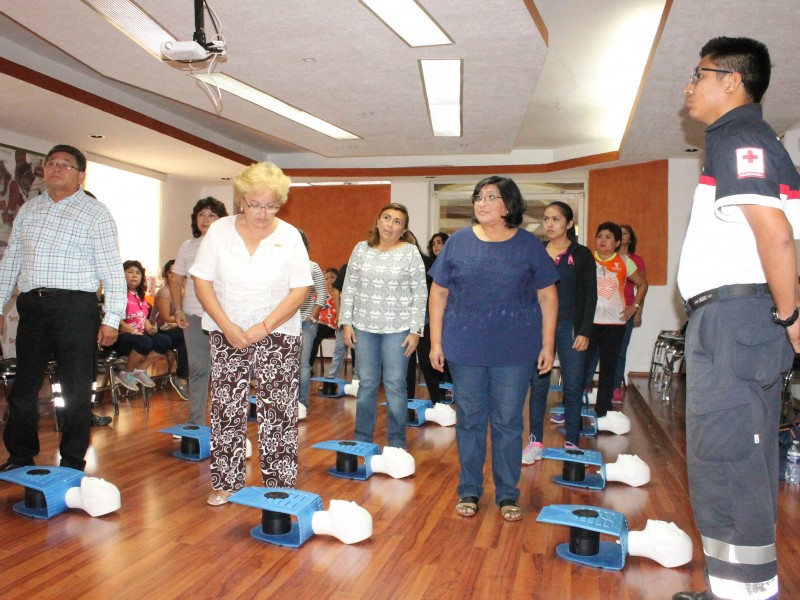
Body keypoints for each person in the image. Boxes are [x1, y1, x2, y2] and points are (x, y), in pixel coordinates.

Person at [673, 37, 800, 600]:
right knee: (719, 453)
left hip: (738, 316)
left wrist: (791, 314)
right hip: (725, 318)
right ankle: (732, 586)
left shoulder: (739, 135)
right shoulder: (734, 139)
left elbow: (775, 233)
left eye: (698, 75)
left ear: (731, 80)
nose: (688, 87)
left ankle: (749, 592)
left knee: (734, 455)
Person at [429, 176, 558, 522]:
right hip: (464, 348)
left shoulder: (529, 245)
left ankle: (506, 493)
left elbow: (547, 295)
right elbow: (438, 293)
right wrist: (436, 342)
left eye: (490, 197)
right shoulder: (457, 243)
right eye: (478, 197)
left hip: (515, 351)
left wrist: (548, 345)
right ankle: (469, 489)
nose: (482, 203)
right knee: (469, 420)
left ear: (509, 205)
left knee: (507, 422)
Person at [190, 162, 311, 506]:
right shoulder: (219, 232)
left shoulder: (288, 236)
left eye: (271, 205)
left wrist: (264, 327)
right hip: (227, 332)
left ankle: (280, 484)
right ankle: (226, 483)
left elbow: (300, 289)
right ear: (241, 199)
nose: (263, 212)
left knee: (279, 410)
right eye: (256, 204)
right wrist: (228, 326)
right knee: (227, 408)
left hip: (277, 334)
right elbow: (202, 281)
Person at [0, 144, 125, 472]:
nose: (56, 168)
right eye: (52, 163)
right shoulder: (29, 210)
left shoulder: (95, 213)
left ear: (81, 175)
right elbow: (11, 260)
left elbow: (112, 271)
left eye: (65, 165)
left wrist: (112, 319)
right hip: (33, 307)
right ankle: (21, 455)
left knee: (75, 388)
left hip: (75, 308)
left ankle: (71, 461)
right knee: (24, 387)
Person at [340, 203, 427, 450]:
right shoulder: (361, 249)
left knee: (395, 385)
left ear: (404, 229)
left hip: (398, 328)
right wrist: (346, 323)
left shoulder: (410, 253)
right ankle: (362, 440)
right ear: (377, 221)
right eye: (386, 218)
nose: (390, 224)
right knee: (366, 384)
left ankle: (397, 442)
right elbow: (350, 288)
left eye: (397, 221)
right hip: (364, 326)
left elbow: (420, 293)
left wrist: (416, 331)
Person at [525, 201, 596, 462]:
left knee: (573, 385)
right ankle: (535, 442)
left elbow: (591, 295)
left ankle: (572, 442)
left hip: (571, 327)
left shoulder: (581, 253)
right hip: (540, 327)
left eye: (556, 219)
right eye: (546, 219)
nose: (549, 224)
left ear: (568, 224)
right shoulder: (537, 252)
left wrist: (585, 330)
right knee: (538, 384)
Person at [170, 197, 228, 425]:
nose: (205, 219)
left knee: (225, 370)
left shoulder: (229, 246)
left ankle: (225, 423)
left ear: (221, 220)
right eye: (201, 214)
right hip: (194, 316)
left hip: (223, 317)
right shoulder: (188, 246)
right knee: (198, 368)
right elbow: (176, 280)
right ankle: (196, 423)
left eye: (211, 215)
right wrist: (178, 309)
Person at [580, 222, 647, 419]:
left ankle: (602, 411)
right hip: (589, 323)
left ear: (617, 242)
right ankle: (573, 406)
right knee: (582, 365)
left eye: (608, 237)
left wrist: (634, 307)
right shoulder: (587, 258)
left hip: (615, 323)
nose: (603, 240)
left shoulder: (625, 262)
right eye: (600, 236)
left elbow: (643, 284)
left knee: (609, 366)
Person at [112, 260, 171, 391]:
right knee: (144, 342)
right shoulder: (118, 295)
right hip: (121, 336)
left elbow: (142, 318)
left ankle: (139, 370)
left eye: (138, 273)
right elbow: (115, 319)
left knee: (164, 340)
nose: (134, 275)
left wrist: (149, 327)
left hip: (139, 335)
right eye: (130, 272)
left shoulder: (140, 296)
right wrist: (132, 331)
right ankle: (125, 373)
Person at [414, 232, 450, 404]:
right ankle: (437, 398)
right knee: (427, 358)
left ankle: (448, 394)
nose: (436, 246)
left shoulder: (451, 265)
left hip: (449, 320)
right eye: (433, 243)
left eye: (440, 242)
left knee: (448, 360)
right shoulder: (426, 265)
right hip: (427, 320)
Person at [296, 229, 326, 419]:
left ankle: (302, 403)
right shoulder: (282, 266)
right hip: (284, 324)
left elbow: (322, 293)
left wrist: (313, 315)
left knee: (303, 365)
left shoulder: (312, 267)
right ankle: (287, 402)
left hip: (306, 324)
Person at [154, 259, 189, 399]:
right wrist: (184, 320)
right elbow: (166, 318)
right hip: (162, 329)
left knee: (188, 339)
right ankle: (182, 378)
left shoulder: (186, 290)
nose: (174, 275)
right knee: (186, 337)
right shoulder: (164, 292)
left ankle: (184, 377)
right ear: (165, 275)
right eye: (170, 272)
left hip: (179, 327)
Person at [309, 267, 338, 372]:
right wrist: (316, 320)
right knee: (313, 335)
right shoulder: (319, 294)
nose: (329, 280)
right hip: (322, 324)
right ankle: (308, 367)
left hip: (338, 324)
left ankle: (355, 369)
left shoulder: (341, 293)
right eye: (326, 278)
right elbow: (311, 311)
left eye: (332, 278)